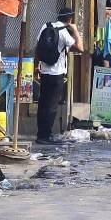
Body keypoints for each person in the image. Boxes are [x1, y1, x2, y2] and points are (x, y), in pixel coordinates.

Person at [33, 9, 83, 145]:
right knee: (52, 106)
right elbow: (80, 48)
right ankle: (46, 136)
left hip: (44, 72)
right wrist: (76, 31)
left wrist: (36, 66)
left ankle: (40, 134)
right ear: (70, 20)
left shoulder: (46, 26)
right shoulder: (64, 33)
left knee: (43, 103)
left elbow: (38, 47)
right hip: (57, 74)